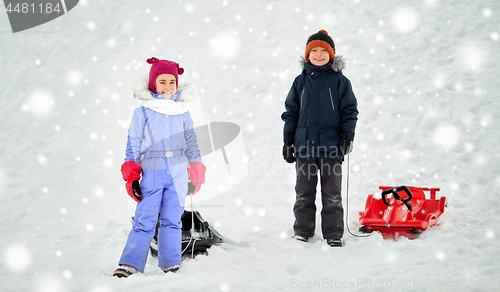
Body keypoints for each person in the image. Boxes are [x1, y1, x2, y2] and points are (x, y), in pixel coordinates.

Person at [113, 57, 206, 277]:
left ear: (177, 83)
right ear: (153, 84)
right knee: (145, 218)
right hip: (153, 170)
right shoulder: (143, 112)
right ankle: (130, 264)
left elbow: (191, 142)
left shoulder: (182, 112)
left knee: (172, 220)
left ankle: (170, 263)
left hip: (177, 171)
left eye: (171, 82)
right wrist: (132, 176)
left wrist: (196, 171)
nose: (167, 86)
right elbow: (133, 144)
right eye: (162, 82)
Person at [281, 30, 358, 247]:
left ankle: (333, 234)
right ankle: (303, 231)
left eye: (323, 50)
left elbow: (349, 110)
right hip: (304, 147)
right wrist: (288, 140)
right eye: (313, 50)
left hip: (332, 147)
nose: (318, 54)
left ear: (331, 55)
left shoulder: (340, 82)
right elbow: (291, 112)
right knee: (304, 192)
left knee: (332, 193)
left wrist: (347, 135)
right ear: (307, 55)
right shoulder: (300, 82)